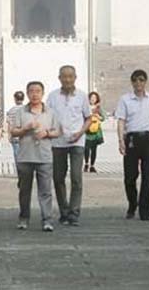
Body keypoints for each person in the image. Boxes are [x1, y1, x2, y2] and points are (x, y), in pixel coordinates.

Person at [115, 69, 149, 221]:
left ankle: (145, 211)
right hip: (131, 138)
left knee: (148, 175)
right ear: (132, 82)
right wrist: (120, 141)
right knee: (130, 176)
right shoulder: (125, 99)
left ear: (145, 82)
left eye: (142, 80)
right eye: (136, 80)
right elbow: (121, 120)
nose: (139, 83)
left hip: (147, 138)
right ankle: (133, 203)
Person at [10, 81, 61, 231]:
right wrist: (25, 129)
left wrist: (46, 133)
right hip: (25, 156)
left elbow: (57, 132)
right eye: (31, 91)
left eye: (38, 91)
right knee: (24, 190)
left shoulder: (50, 112)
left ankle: (47, 219)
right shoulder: (21, 112)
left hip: (44, 157)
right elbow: (13, 131)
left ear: (42, 93)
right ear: (27, 93)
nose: (34, 94)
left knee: (45, 190)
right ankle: (24, 218)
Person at [47, 65, 91, 226]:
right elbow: (48, 117)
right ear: (59, 78)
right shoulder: (52, 96)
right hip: (58, 142)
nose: (67, 79)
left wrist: (80, 133)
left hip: (77, 141)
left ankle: (74, 213)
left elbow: (88, 118)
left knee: (76, 178)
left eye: (70, 76)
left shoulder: (82, 96)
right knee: (58, 178)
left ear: (75, 77)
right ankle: (63, 211)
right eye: (64, 76)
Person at [84, 91, 105, 173]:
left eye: (94, 98)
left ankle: (92, 165)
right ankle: (86, 164)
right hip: (87, 130)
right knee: (86, 148)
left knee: (94, 149)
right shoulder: (85, 107)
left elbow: (103, 118)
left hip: (96, 131)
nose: (93, 99)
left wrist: (98, 116)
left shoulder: (99, 108)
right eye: (91, 98)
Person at [7, 91, 26, 161]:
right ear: (23, 98)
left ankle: (19, 170)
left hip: (15, 136)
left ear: (14, 99)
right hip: (25, 136)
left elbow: (10, 124)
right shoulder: (27, 109)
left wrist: (9, 135)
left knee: (17, 154)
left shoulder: (11, 110)